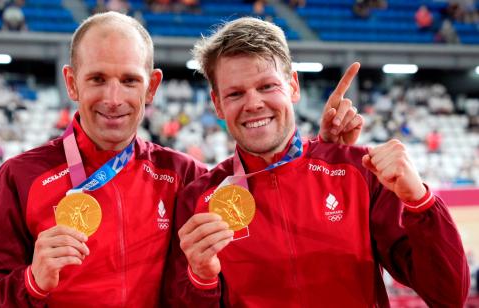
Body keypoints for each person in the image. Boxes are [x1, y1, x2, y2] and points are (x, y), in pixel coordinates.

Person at [0, 12, 360, 307]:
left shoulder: (182, 176)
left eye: (129, 80)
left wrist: (318, 154)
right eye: (97, 79)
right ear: (71, 83)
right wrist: (32, 283)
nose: (114, 99)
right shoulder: (21, 178)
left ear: (151, 88)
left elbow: (265, 193)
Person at [166, 17, 470, 307]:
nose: (254, 103)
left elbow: (448, 296)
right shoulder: (199, 200)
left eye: (267, 86)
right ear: (217, 104)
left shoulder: (360, 172)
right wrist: (201, 280)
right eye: (235, 94)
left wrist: (421, 201)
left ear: (293, 86)